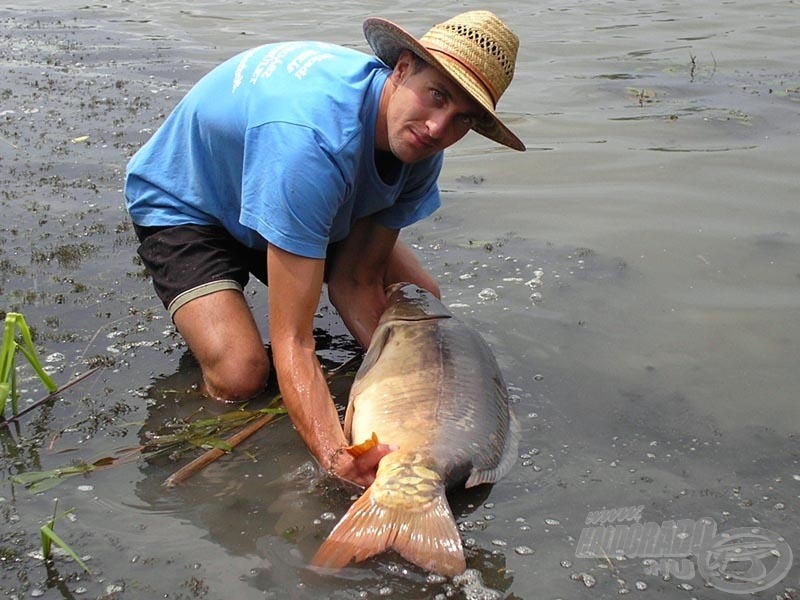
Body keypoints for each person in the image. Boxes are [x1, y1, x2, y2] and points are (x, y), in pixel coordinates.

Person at [124, 10, 525, 488]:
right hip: (192, 203)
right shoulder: (310, 143)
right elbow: (294, 340)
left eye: (461, 118)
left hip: (288, 188)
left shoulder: (419, 149)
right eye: (436, 95)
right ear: (400, 70)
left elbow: (355, 282)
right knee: (241, 375)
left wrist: (417, 397)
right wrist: (335, 456)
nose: (438, 127)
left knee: (417, 296)